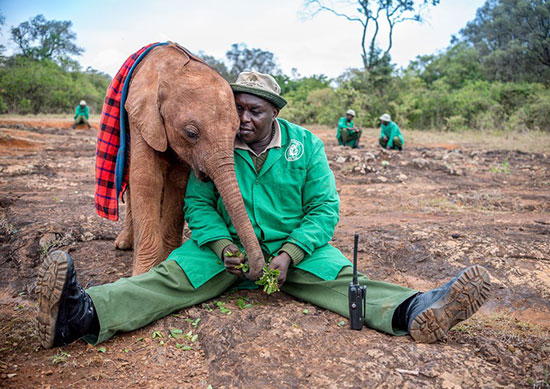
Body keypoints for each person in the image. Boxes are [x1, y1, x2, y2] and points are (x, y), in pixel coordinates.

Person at [36, 71, 490, 349]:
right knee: (167, 278)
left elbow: (324, 209)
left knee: (347, 283)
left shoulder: (306, 145)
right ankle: (81, 315)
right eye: (237, 110)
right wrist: (216, 245)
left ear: (274, 112)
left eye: (253, 110)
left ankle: (417, 310)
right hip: (228, 251)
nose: (243, 119)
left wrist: (291, 253)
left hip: (297, 253)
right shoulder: (218, 143)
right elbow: (198, 203)